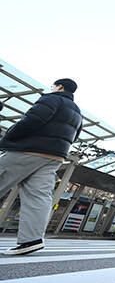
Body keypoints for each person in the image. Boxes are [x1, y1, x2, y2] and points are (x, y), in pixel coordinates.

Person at [1, 79, 83, 255]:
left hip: (29, 150)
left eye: (53, 86)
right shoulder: (77, 112)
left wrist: (8, 137)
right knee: (38, 197)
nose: (51, 88)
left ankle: (30, 240)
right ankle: (31, 240)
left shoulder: (52, 98)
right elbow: (75, 136)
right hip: (55, 157)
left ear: (59, 87)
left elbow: (32, 120)